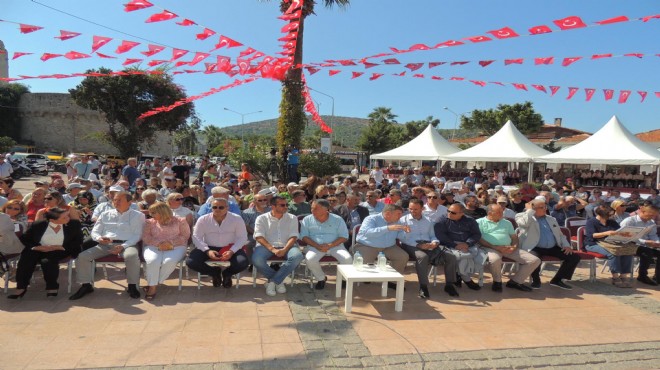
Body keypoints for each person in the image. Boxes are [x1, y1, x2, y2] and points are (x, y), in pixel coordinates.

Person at [69, 191, 146, 300]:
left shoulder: (138, 216)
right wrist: (99, 238)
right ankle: (86, 285)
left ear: (129, 202)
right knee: (83, 257)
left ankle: (132, 286)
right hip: (106, 244)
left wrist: (123, 246)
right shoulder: (105, 214)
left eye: (119, 200)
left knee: (131, 256)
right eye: (114, 200)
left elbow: (138, 235)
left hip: (128, 244)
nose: (116, 202)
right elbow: (95, 232)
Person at [9, 208, 83, 299]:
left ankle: (52, 287)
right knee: (26, 259)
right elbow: (25, 238)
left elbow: (78, 241)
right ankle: (21, 287)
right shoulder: (39, 225)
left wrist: (60, 247)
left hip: (61, 249)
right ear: (52, 220)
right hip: (39, 248)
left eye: (67, 215)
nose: (67, 218)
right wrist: (36, 247)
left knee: (48, 261)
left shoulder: (74, 224)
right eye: (64, 217)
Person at [399, 198, 458, 299]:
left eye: (415, 209)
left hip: (428, 244)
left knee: (451, 256)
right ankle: (423, 286)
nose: (412, 211)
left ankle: (449, 284)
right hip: (410, 245)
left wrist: (434, 243)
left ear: (422, 209)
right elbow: (402, 238)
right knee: (422, 257)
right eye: (410, 209)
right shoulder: (403, 220)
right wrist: (418, 245)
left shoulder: (429, 220)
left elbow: (433, 235)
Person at [516, 198, 580, 290]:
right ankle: (536, 280)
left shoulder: (551, 219)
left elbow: (560, 235)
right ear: (534, 208)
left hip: (552, 247)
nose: (545, 209)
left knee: (574, 257)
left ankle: (557, 280)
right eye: (541, 207)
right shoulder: (522, 216)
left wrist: (566, 245)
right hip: (534, 247)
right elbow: (524, 224)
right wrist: (530, 210)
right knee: (534, 259)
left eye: (545, 206)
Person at [187, 198, 249, 288]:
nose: (217, 209)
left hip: (230, 248)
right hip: (208, 247)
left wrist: (232, 251)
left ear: (227, 207)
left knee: (243, 262)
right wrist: (207, 251)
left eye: (221, 207)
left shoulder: (236, 219)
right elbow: (196, 237)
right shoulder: (203, 219)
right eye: (215, 207)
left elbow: (242, 237)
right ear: (211, 208)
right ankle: (214, 272)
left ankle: (227, 273)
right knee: (191, 262)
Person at [477, 204, 540, 292]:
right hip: (489, 247)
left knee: (534, 260)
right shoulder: (479, 222)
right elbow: (479, 239)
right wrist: (495, 247)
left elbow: (514, 237)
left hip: (508, 247)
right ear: (490, 213)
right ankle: (497, 281)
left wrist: (514, 247)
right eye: (498, 212)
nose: (502, 213)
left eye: (502, 211)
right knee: (495, 260)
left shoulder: (507, 222)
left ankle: (515, 282)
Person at [251, 196, 302, 296]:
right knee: (256, 259)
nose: (286, 207)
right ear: (273, 206)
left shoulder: (292, 218)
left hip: (287, 245)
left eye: (287, 205)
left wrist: (285, 249)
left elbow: (294, 236)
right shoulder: (262, 218)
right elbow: (259, 236)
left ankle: (273, 281)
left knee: (297, 256)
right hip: (267, 246)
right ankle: (278, 280)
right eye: (282, 205)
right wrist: (273, 249)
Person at [142, 202, 190, 299]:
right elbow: (146, 237)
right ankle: (152, 287)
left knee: (169, 261)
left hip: (177, 246)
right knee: (152, 261)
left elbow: (185, 236)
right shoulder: (149, 222)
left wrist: (170, 243)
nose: (151, 215)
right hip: (153, 246)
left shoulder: (180, 221)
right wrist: (159, 244)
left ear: (162, 212)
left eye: (153, 212)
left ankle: (154, 284)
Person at [354, 204, 409, 289]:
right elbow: (367, 233)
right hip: (368, 245)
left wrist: (406, 232)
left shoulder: (398, 221)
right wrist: (387, 228)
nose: (400, 216)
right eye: (398, 214)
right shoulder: (371, 219)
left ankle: (392, 280)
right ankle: (365, 278)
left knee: (403, 257)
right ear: (388, 213)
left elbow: (400, 236)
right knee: (363, 266)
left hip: (389, 246)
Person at [300, 199, 351, 290]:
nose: (312, 211)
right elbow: (304, 236)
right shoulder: (307, 219)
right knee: (310, 259)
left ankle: (343, 279)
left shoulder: (337, 219)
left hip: (335, 246)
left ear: (326, 209)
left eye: (315, 209)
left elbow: (344, 236)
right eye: (311, 208)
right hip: (315, 246)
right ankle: (321, 278)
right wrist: (317, 246)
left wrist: (330, 245)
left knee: (347, 259)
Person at [435, 203, 484, 291]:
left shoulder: (470, 220)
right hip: (450, 244)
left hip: (468, 244)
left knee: (480, 257)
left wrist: (467, 244)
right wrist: (456, 245)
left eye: (453, 213)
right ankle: (467, 279)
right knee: (461, 256)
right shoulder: (441, 220)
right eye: (448, 211)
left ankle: (458, 274)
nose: (449, 213)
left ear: (462, 213)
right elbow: (441, 237)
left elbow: (476, 234)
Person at [584, 205, 634, 288]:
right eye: (609, 215)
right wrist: (606, 233)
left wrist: (625, 234)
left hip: (611, 243)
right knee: (613, 253)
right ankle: (615, 277)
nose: (611, 216)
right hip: (593, 244)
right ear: (602, 215)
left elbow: (619, 231)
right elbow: (592, 235)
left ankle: (624, 275)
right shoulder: (591, 222)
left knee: (627, 251)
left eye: (612, 215)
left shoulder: (611, 221)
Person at [620, 202, 660, 286]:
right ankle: (642, 276)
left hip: (646, 245)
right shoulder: (629, 221)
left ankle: (657, 277)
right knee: (647, 252)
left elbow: (653, 235)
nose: (652, 217)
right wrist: (645, 242)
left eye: (654, 215)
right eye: (650, 215)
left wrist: (657, 242)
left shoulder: (651, 222)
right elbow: (626, 237)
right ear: (642, 211)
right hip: (629, 245)